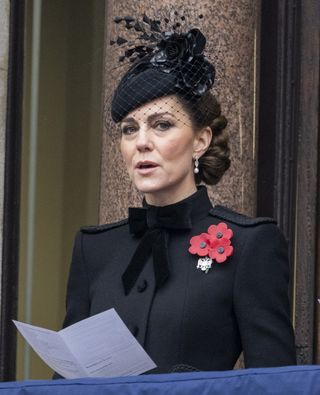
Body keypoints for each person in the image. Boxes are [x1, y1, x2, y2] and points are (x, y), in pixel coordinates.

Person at [60, 18, 296, 374]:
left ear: (200, 141)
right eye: (129, 129)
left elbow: (274, 383)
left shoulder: (251, 244)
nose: (141, 142)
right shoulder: (93, 249)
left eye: (162, 125)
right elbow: (67, 378)